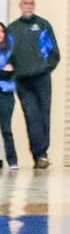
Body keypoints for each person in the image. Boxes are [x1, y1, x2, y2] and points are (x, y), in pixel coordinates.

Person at [7, 0, 59, 169]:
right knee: (31, 117)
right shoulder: (12, 29)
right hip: (23, 82)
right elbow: (6, 54)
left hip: (42, 79)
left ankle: (42, 155)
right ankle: (37, 154)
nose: (28, 6)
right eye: (25, 3)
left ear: (34, 5)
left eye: (31, 3)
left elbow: (54, 53)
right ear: (20, 5)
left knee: (44, 115)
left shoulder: (43, 25)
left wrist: (45, 68)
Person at [0, 23, 18, 170]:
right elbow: (4, 72)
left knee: (6, 128)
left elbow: (11, 72)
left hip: (6, 94)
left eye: (2, 32)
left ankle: (12, 161)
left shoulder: (11, 52)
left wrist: (6, 72)